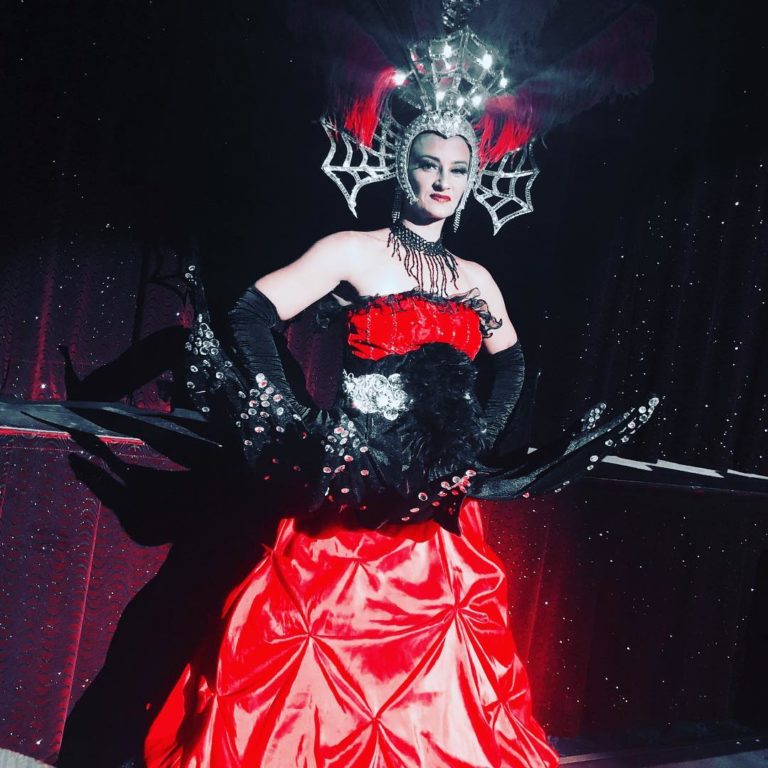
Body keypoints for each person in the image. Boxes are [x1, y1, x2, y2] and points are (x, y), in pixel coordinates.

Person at [143, 4, 657, 766]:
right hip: (352, 498)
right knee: (313, 651)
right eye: (429, 165)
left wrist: (475, 439)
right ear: (400, 164)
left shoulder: (477, 279)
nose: (442, 180)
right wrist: (296, 414)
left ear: (474, 179)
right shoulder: (354, 250)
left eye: (457, 169)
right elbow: (252, 312)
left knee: (439, 684)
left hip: (435, 511)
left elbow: (514, 363)